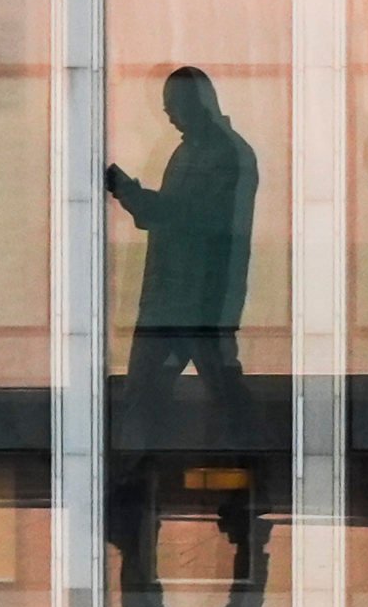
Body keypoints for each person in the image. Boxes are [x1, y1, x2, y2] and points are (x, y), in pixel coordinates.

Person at [109, 65, 258, 421]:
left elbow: (184, 216)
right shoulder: (194, 151)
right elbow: (172, 215)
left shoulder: (222, 154)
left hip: (198, 301)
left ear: (200, 102)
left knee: (220, 394)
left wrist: (127, 191)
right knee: (145, 396)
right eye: (166, 106)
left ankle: (253, 454)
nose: (169, 115)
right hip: (174, 299)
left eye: (174, 105)